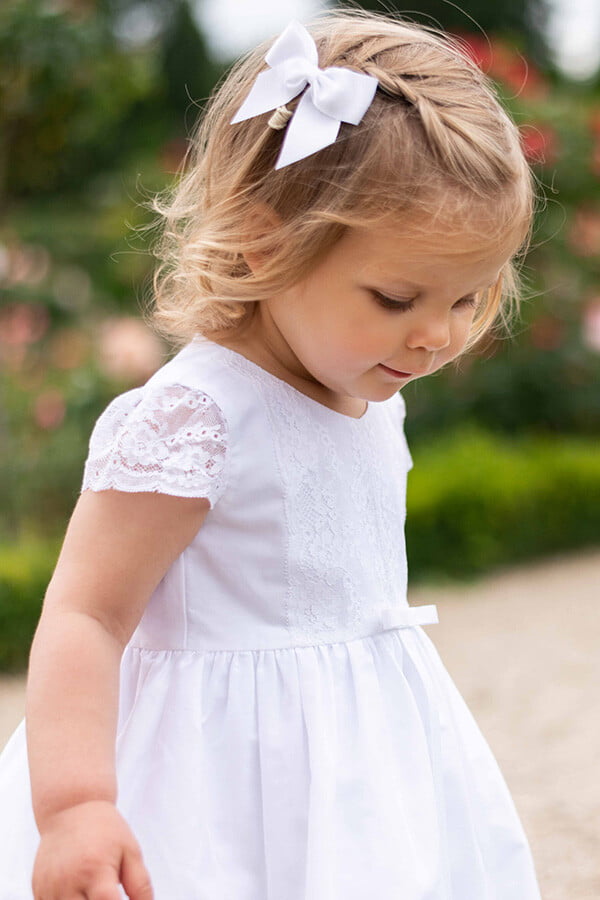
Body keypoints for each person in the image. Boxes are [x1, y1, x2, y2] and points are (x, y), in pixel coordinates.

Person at [0, 9, 543, 899]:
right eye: (398, 295)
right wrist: (75, 806)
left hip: (361, 765)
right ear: (266, 238)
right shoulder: (196, 416)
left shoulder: (369, 396)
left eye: (468, 298)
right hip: (215, 779)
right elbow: (86, 617)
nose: (438, 336)